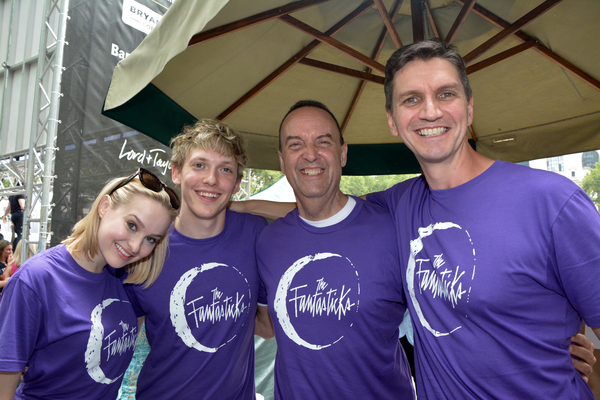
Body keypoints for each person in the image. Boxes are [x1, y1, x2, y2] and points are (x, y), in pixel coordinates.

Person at [364, 38, 600, 399]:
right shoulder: (401, 202)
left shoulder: (552, 201)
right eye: (411, 99)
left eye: (446, 94)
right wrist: (244, 207)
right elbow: (326, 208)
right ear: (392, 121)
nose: (430, 111)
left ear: (470, 108)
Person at [255, 100, 415, 399]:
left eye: (323, 141)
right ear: (282, 159)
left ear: (342, 153)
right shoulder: (267, 242)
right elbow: (267, 327)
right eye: (295, 144)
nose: (310, 154)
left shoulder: (392, 230)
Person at [123, 119, 272, 399]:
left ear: (237, 183)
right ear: (176, 172)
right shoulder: (148, 245)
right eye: (199, 165)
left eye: (225, 169)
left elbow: (267, 328)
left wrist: (244, 206)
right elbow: (119, 346)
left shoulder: (254, 235)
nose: (211, 180)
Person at [0, 168, 179, 400]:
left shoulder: (127, 280)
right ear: (104, 207)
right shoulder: (37, 280)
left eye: (151, 239)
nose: (136, 246)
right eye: (132, 225)